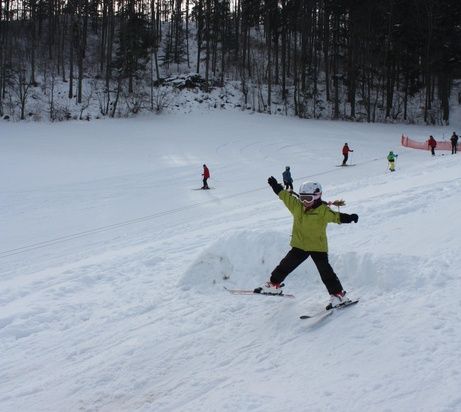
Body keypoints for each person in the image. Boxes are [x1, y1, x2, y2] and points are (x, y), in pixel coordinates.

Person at [254, 177, 359, 309]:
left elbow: (336, 217)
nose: (304, 202)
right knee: (285, 266)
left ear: (317, 196)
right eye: (302, 198)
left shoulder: (323, 211)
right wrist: (276, 186)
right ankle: (274, 285)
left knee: (326, 273)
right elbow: (284, 196)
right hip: (299, 246)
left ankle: (338, 296)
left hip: (317, 247)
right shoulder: (297, 206)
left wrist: (350, 218)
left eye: (308, 199)